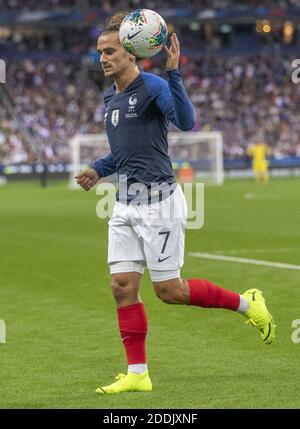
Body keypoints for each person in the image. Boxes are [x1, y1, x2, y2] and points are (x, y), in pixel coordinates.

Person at [75, 11, 276, 395]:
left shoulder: (153, 87)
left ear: (131, 53)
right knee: (121, 285)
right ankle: (138, 373)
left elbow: (186, 122)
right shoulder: (109, 95)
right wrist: (99, 170)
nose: (103, 57)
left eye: (111, 51)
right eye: (100, 51)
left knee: (170, 291)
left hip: (159, 204)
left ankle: (248, 304)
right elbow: (125, 151)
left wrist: (174, 72)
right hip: (125, 204)